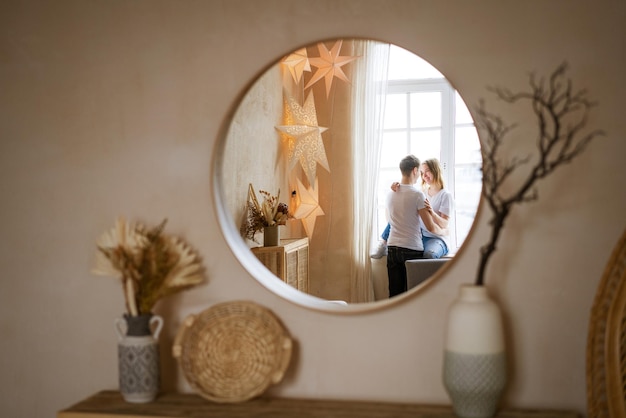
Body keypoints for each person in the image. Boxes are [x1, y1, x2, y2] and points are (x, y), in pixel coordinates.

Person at [385, 155, 448, 297]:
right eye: (419, 171)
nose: (420, 175)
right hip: (411, 248)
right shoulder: (418, 195)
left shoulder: (390, 194)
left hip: (392, 247)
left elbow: (390, 220)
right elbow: (431, 227)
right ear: (414, 170)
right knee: (412, 296)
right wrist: (444, 232)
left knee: (395, 295)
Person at [371, 158, 453, 259]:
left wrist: (432, 213)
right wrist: (396, 186)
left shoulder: (445, 195)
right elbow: (407, 191)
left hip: (436, 237)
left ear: (436, 170)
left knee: (429, 255)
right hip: (421, 234)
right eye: (422, 172)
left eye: (427, 171)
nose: (424, 176)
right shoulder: (421, 192)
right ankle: (383, 243)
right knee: (399, 214)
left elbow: (444, 224)